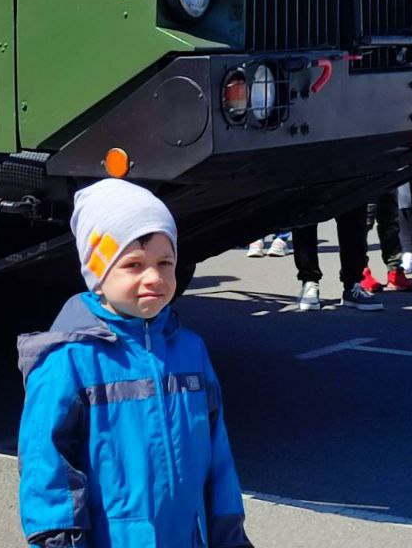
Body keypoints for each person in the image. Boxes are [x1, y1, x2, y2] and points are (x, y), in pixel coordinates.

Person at [16, 179, 254, 548]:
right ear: (98, 273)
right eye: (133, 265)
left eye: (165, 262)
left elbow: (218, 457)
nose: (154, 278)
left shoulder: (191, 351)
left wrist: (230, 535)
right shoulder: (68, 359)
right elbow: (47, 467)